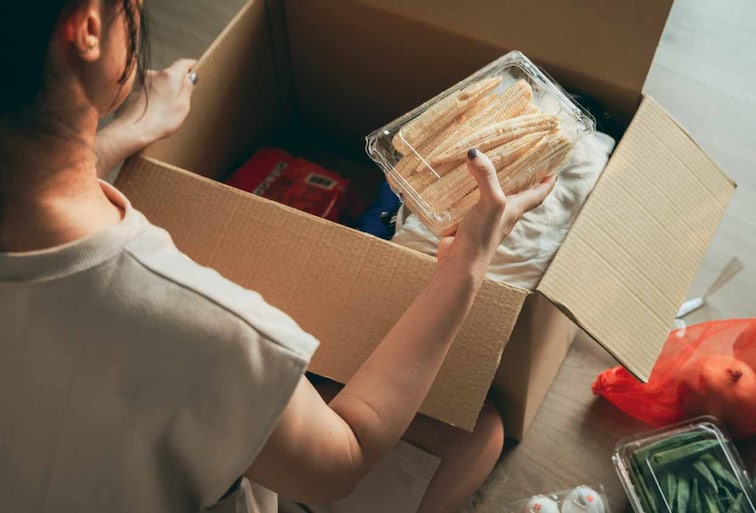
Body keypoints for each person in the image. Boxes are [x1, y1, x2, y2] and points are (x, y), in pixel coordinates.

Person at [0, 1, 556, 512]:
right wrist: (467, 262)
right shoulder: (199, 322)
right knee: (479, 433)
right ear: (88, 28)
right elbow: (343, 459)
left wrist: (113, 139)